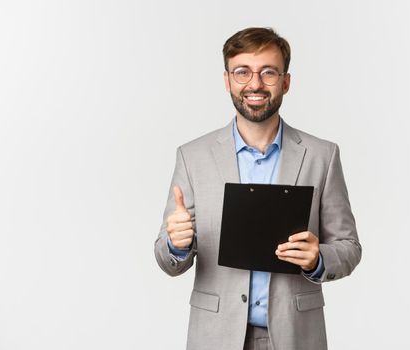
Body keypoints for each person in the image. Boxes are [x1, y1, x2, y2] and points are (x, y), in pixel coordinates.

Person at [154, 27, 362, 350]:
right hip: (215, 336)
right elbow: (166, 258)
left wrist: (317, 258)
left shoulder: (322, 156)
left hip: (296, 337)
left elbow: (349, 247)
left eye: (268, 72)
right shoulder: (192, 157)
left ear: (286, 82)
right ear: (227, 81)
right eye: (242, 72)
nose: (255, 84)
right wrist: (177, 244)